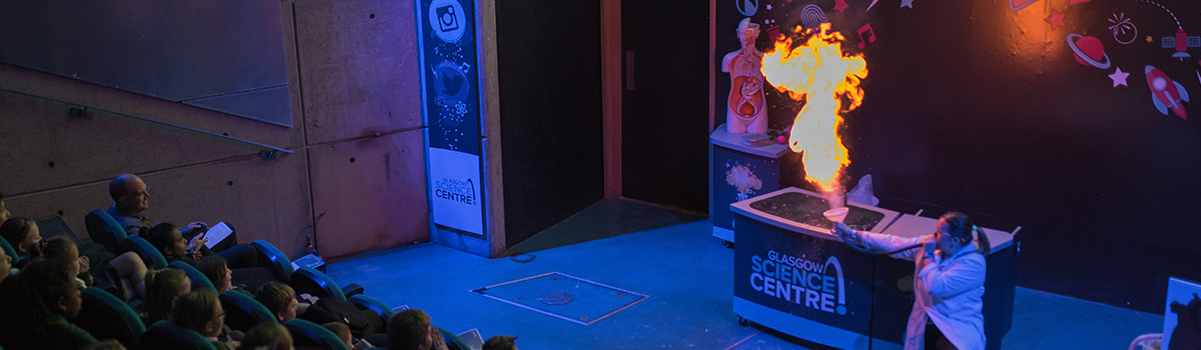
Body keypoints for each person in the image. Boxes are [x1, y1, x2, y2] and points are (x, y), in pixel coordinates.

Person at [833, 212, 991, 350]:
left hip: (955, 327)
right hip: (925, 323)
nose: (934, 236)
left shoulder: (973, 264)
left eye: (939, 232)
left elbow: (935, 286)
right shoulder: (935, 248)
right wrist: (854, 234)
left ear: (955, 240)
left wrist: (929, 257)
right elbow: (894, 243)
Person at [0, 259, 99, 350]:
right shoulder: (71, 336)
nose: (79, 294)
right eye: (76, 290)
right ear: (61, 303)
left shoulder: (19, 320)